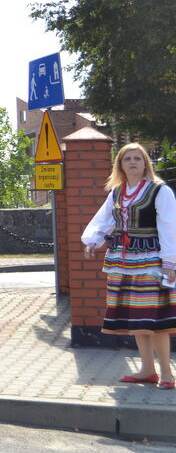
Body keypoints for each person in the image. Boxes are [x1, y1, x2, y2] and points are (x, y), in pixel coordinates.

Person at [82, 142, 176, 389]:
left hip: (151, 260)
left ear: (146, 163)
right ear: (120, 165)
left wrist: (170, 263)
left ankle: (166, 373)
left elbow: (169, 227)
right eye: (127, 159)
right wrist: (93, 241)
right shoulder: (116, 192)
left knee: (156, 318)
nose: (133, 162)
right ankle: (146, 370)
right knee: (137, 317)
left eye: (138, 158)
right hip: (122, 261)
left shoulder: (159, 191)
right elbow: (103, 220)